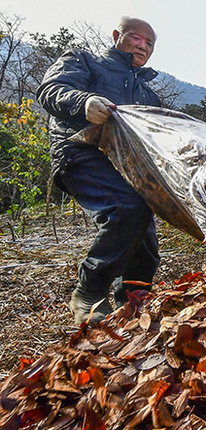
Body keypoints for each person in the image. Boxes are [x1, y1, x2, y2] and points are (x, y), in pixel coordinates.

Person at [37, 17, 161, 324]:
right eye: (136, 38)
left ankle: (134, 301)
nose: (142, 46)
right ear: (118, 35)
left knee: (144, 224)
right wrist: (84, 102)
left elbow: (169, 126)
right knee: (127, 208)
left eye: (149, 44)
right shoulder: (84, 61)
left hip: (128, 165)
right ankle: (89, 291)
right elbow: (51, 89)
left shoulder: (146, 93)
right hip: (80, 150)